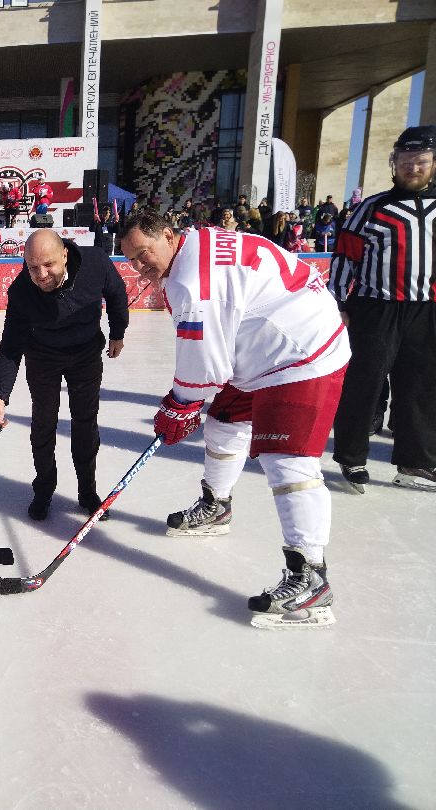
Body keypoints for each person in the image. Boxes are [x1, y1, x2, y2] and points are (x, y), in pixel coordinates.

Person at [119, 209, 350, 629]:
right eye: (130, 260)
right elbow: (211, 357)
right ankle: (216, 505)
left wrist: (181, 403)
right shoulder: (192, 249)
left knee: (288, 460)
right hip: (261, 344)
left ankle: (311, 578)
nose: (138, 266)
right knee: (224, 418)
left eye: (143, 254)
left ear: (169, 236)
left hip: (301, 352)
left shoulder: (194, 279)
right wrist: (189, 401)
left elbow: (203, 364)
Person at [0, 229, 128, 521]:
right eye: (32, 266)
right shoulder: (22, 291)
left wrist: (117, 332)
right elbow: (11, 346)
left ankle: (88, 491)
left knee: (85, 423)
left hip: (86, 353)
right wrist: (0, 397)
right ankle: (44, 490)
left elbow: (116, 293)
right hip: (43, 356)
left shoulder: (95, 263)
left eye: (48, 264)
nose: (40, 274)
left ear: (64, 254)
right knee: (43, 423)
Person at [330, 124, 436, 492]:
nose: (412, 167)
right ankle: (352, 458)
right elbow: (345, 257)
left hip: (426, 310)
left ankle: (416, 463)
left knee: (421, 387)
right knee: (365, 384)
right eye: (405, 160)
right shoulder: (371, 209)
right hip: (376, 309)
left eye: (420, 160)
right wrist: (339, 302)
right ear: (395, 163)